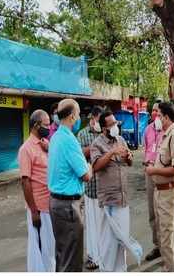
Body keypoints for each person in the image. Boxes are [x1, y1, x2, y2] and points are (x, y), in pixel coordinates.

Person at [91, 111, 140, 271]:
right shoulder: (97, 144)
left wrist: (128, 156)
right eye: (111, 124)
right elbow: (96, 166)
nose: (115, 127)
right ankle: (107, 270)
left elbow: (129, 162)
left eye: (115, 123)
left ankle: (120, 269)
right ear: (104, 128)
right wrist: (111, 152)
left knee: (121, 240)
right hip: (109, 199)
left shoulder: (120, 139)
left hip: (122, 198)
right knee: (108, 241)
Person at [48, 99, 92, 272]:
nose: (79, 117)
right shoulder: (69, 140)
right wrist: (90, 165)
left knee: (62, 255)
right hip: (68, 207)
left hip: (56, 204)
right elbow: (86, 175)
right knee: (72, 260)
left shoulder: (56, 137)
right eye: (79, 113)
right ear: (73, 115)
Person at [145, 102, 174, 272]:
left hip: (168, 191)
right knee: (162, 234)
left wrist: (154, 169)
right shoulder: (165, 134)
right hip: (159, 191)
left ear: (166, 117)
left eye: (159, 115)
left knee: (167, 238)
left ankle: (171, 270)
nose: (157, 118)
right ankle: (167, 268)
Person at [18, 109, 55, 272]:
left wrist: (49, 149)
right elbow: (25, 182)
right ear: (35, 125)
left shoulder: (45, 144)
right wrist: (34, 211)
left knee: (50, 248)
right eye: (46, 125)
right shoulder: (26, 149)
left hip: (51, 204)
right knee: (41, 249)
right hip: (39, 208)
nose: (49, 127)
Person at [76, 105, 103, 270]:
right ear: (93, 118)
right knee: (92, 225)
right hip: (90, 188)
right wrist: (94, 145)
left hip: (105, 188)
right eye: (99, 118)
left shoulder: (105, 132)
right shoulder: (82, 134)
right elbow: (79, 154)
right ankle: (93, 256)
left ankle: (105, 254)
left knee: (104, 225)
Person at [142, 102, 163, 261]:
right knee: (152, 212)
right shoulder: (147, 130)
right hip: (150, 173)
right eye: (153, 110)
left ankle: (166, 246)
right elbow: (145, 150)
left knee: (164, 212)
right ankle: (157, 245)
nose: (155, 113)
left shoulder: (169, 130)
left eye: (158, 110)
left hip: (163, 173)